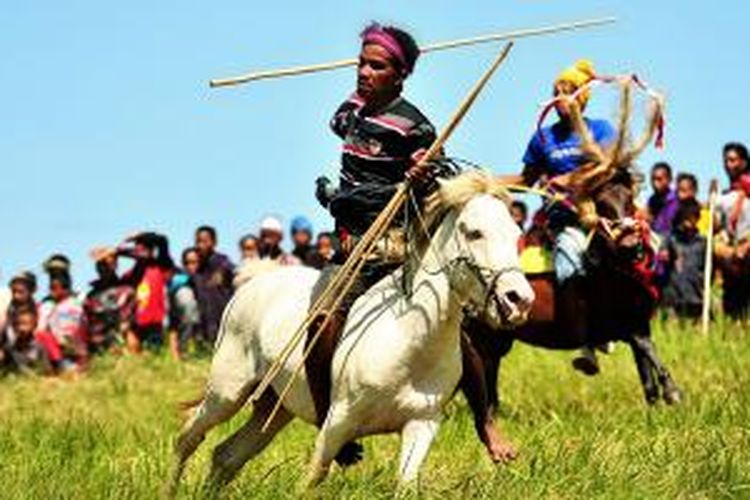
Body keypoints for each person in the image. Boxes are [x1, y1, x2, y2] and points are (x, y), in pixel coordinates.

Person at [501, 59, 616, 375]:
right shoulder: (543, 138)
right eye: (556, 91)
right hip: (561, 219)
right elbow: (526, 181)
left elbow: (607, 166)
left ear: (582, 97)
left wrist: (572, 179)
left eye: (568, 91)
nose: (559, 98)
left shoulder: (601, 129)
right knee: (568, 261)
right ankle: (585, 339)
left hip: (600, 214)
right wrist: (485, 181)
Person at [117, 232, 175, 352]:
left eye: (145, 248)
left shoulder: (161, 267)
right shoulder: (129, 275)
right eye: (138, 249)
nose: (141, 252)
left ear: (152, 250)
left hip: (156, 323)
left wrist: (139, 236)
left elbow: (163, 241)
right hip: (134, 324)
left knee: (155, 356)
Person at [714, 142, 750, 321]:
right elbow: (717, 228)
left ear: (744, 163)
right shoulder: (723, 197)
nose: (728, 164)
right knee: (734, 310)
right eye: (726, 160)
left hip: (748, 251)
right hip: (733, 261)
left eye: (733, 160)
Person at [36, 256, 88, 373]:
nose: (56, 278)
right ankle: (59, 367)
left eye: (60, 274)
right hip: (57, 350)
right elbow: (40, 331)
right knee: (41, 336)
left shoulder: (81, 299)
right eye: (52, 275)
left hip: (79, 347)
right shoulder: (45, 305)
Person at [658, 199, 706, 322]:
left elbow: (710, 268)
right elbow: (662, 254)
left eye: (692, 217)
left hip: (696, 298)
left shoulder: (703, 242)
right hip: (674, 298)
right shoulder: (671, 239)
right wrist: (664, 255)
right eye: (685, 217)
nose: (688, 221)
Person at [83, 252, 134, 354]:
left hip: (121, 348)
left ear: (115, 266)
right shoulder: (91, 296)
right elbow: (86, 323)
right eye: (100, 265)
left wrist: (118, 251)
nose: (103, 268)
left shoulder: (126, 291)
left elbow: (129, 324)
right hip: (97, 350)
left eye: (107, 264)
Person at [193, 225, 234, 345]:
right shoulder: (196, 266)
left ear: (214, 242)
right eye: (198, 241)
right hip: (203, 318)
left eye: (205, 241)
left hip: (221, 316)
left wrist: (223, 271)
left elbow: (233, 270)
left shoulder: (223, 261)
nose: (201, 245)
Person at [167, 248, 202, 360]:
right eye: (187, 263)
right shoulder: (179, 281)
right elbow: (173, 323)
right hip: (185, 336)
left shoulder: (206, 279)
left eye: (194, 262)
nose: (190, 266)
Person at [0, 304, 50, 376]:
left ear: (34, 325)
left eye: (25, 324)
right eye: (17, 324)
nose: (21, 328)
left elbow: (46, 371)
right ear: (13, 326)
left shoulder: (39, 347)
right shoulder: (8, 348)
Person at [647, 162, 679, 237]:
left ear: (669, 179)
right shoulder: (651, 200)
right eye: (653, 179)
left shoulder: (677, 201)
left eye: (659, 179)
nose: (655, 184)